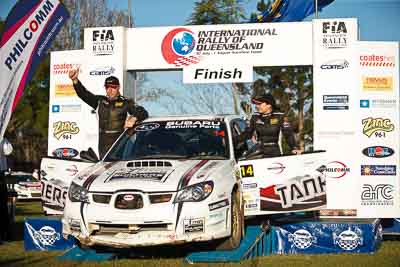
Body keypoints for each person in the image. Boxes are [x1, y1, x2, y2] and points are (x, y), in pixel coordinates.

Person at [68, 69, 148, 158]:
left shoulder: (126, 102)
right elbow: (83, 94)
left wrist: (134, 118)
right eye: (107, 87)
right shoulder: (99, 101)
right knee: (104, 168)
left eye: (113, 87)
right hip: (103, 144)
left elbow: (143, 112)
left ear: (118, 87)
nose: (110, 90)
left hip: (120, 143)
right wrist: (75, 80)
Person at [236, 93, 301, 158]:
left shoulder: (280, 116)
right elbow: (248, 133)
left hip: (274, 151)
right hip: (258, 150)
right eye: (256, 104)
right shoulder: (255, 116)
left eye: (259, 104)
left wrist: (294, 147)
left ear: (269, 105)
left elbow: (288, 134)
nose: (257, 106)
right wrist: (234, 140)